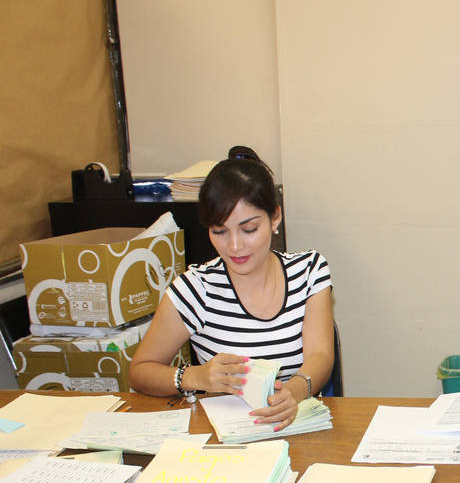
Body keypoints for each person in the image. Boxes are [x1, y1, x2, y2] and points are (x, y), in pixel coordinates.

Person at [129, 148, 334, 431]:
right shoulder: (196, 288)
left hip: (296, 427)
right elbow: (140, 371)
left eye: (249, 229)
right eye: (220, 231)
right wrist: (196, 377)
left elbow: (320, 355)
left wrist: (294, 392)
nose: (235, 246)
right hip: (228, 437)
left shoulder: (309, 271)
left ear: (275, 218)